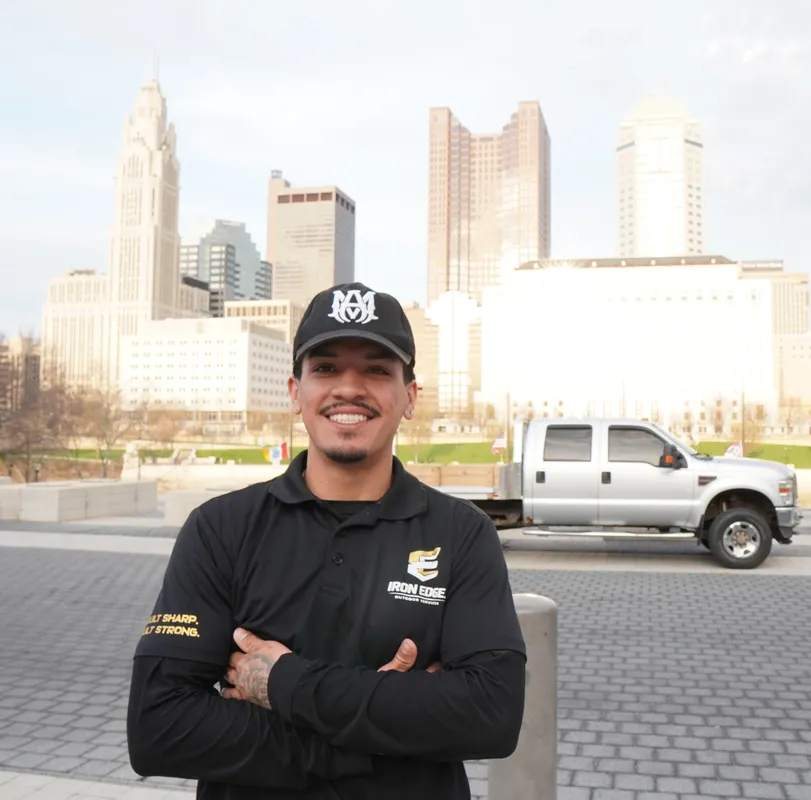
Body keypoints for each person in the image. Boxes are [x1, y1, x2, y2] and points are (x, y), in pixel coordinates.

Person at [127, 281, 528, 799]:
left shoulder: (461, 533)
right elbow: (160, 727)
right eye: (326, 368)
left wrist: (283, 683)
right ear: (296, 392)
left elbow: (491, 715)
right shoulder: (220, 528)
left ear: (409, 396)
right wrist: (369, 741)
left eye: (377, 370)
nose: (349, 388)